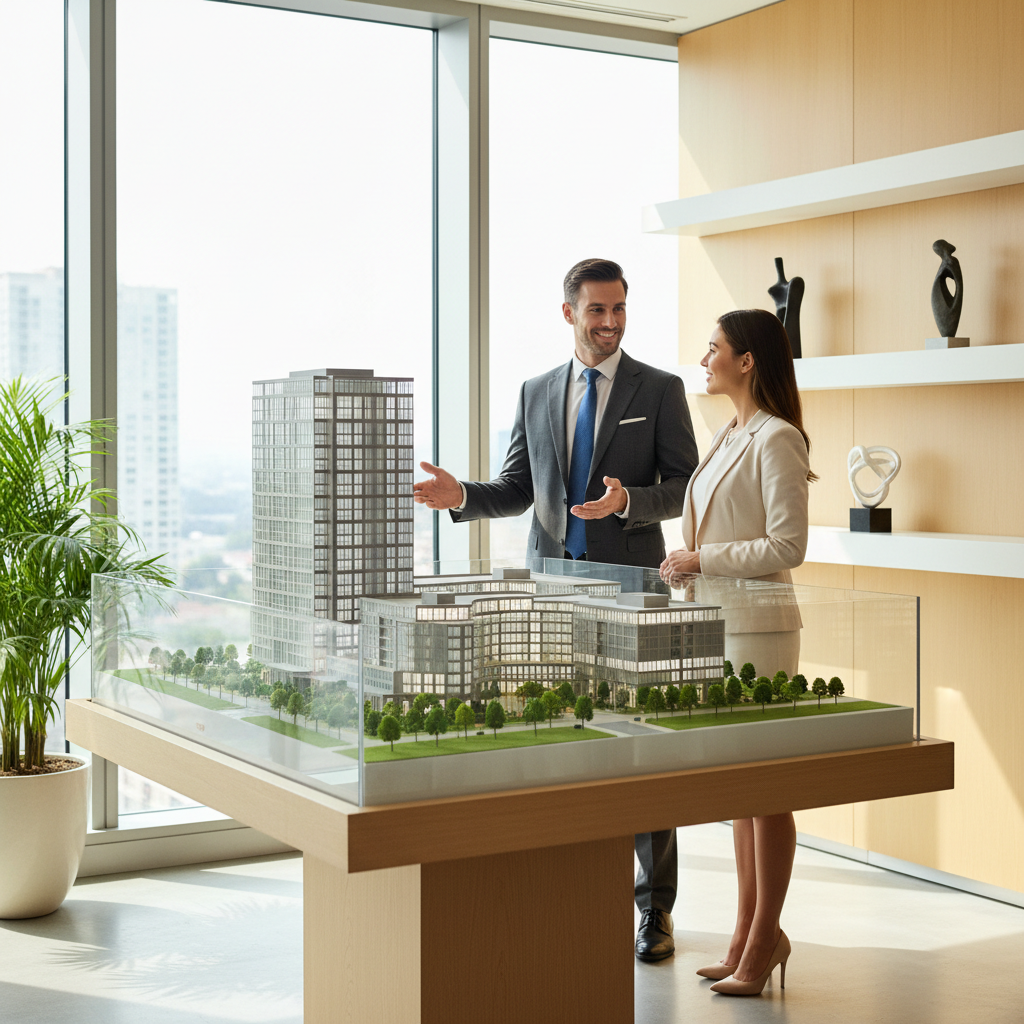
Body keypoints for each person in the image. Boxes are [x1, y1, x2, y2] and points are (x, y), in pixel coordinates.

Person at [414, 258, 699, 961]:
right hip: (553, 593)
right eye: (597, 310)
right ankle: (568, 890)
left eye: (620, 309)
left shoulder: (658, 389)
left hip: (632, 587)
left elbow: (685, 484)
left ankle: (653, 911)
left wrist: (625, 499)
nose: (610, 323)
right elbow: (519, 487)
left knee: (642, 751)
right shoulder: (537, 390)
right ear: (567, 312)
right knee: (561, 740)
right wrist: (464, 499)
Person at [660, 307, 814, 996]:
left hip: (760, 633)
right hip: (719, 628)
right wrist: (690, 564)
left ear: (746, 360)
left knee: (767, 789)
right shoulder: (729, 435)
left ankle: (762, 942)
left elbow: (789, 547)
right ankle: (749, 935)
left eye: (715, 347)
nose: (705, 357)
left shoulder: (777, 439)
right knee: (742, 792)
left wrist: (702, 559)